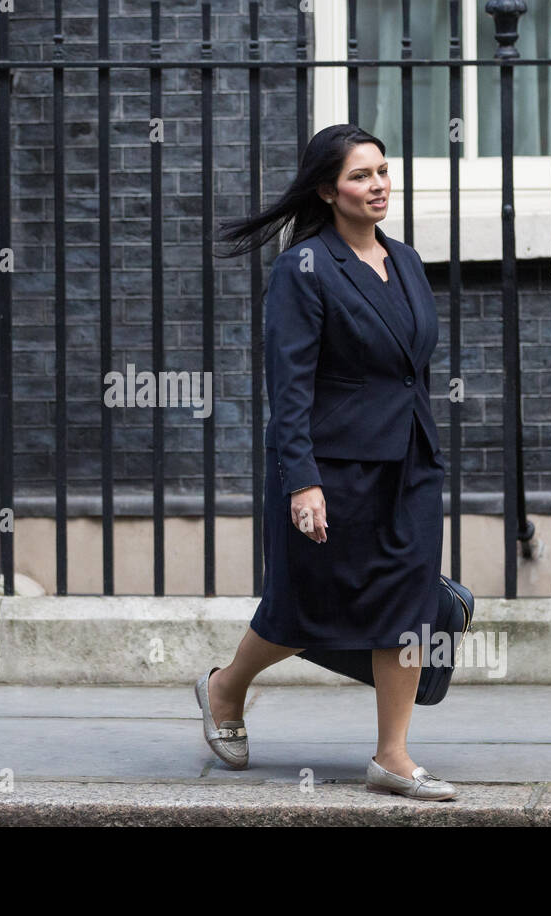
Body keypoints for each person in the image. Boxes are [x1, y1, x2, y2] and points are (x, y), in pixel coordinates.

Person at [195, 124, 456, 800]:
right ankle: (226, 686)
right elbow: (289, 387)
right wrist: (302, 480)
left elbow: (410, 372)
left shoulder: (406, 261)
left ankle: (392, 756)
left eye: (382, 171)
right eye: (361, 176)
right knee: (303, 607)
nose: (378, 185)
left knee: (410, 604)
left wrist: (424, 447)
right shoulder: (304, 268)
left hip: (409, 461)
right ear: (327, 190)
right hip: (333, 468)